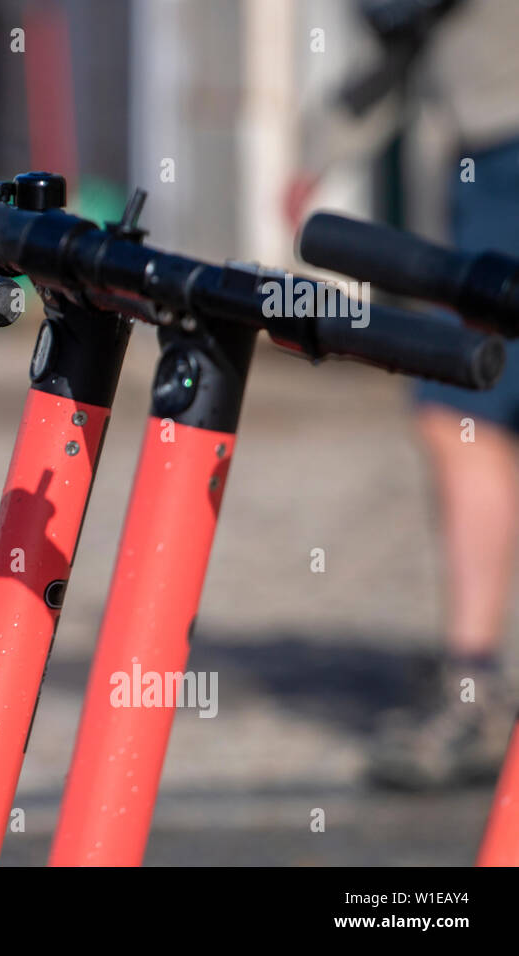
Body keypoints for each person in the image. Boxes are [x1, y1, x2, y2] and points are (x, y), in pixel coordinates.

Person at [288, 0, 519, 788]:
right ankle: (472, 688)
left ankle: (473, 691)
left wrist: (327, 143)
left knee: (460, 411)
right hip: (494, 148)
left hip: (507, 148)